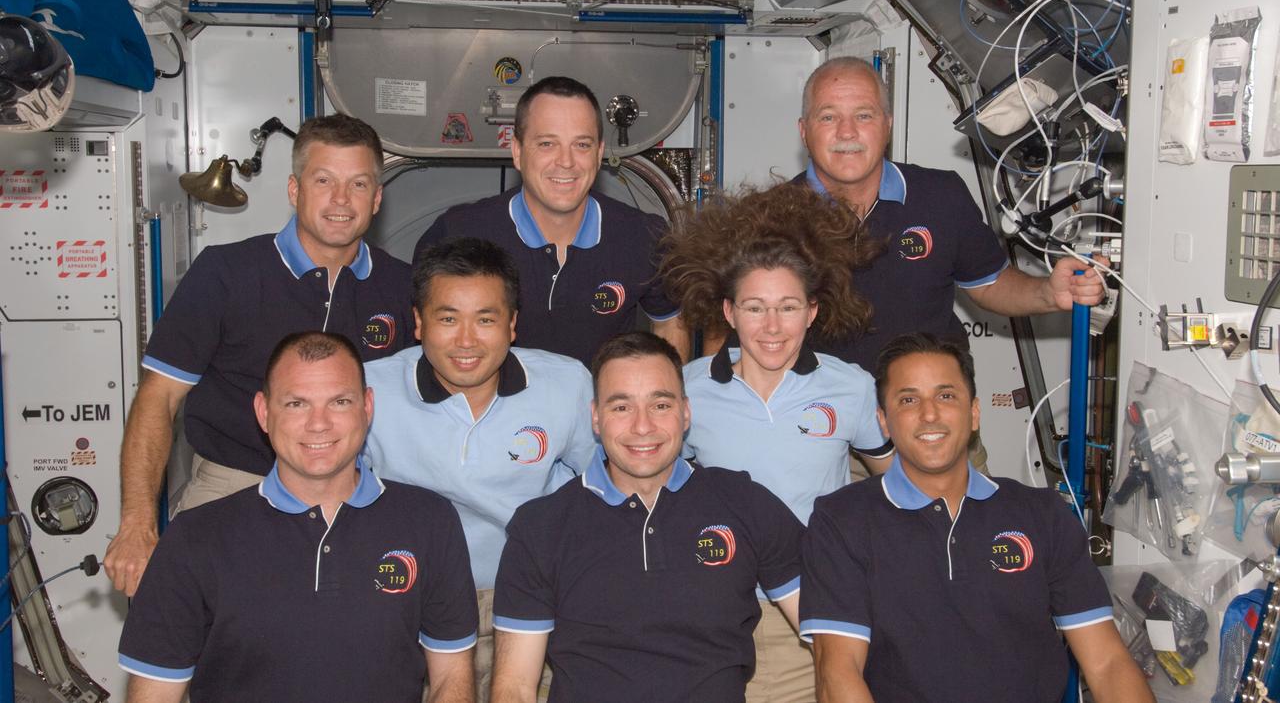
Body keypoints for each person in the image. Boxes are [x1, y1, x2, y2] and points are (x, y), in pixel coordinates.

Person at [105, 113, 415, 597]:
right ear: (294, 190)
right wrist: (137, 525)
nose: (340, 200)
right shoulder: (225, 274)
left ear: (376, 198)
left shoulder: (401, 286)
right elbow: (158, 397)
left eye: (357, 184)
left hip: (354, 491)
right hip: (235, 480)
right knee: (189, 630)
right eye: (323, 180)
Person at [117, 331, 478, 703]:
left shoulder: (429, 521)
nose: (318, 424)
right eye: (296, 404)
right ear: (263, 412)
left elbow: (452, 677)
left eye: (339, 401)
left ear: (367, 407)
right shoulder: (195, 538)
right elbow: (154, 695)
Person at [799, 333, 1154, 703]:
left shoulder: (1041, 514)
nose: (929, 413)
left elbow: (1107, 663)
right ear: (884, 422)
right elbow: (838, 673)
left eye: (946, 395)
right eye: (908, 399)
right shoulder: (841, 521)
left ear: (974, 414)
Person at [664, 186, 892, 703]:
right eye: (755, 307)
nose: (771, 327)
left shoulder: (850, 387)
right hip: (712, 612)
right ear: (728, 311)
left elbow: (894, 486)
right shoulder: (686, 390)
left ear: (812, 311)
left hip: (814, 611)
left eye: (788, 307)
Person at [490, 331, 805, 703]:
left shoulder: (744, 503)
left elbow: (831, 632)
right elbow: (514, 688)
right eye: (621, 407)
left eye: (660, 405)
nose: (642, 427)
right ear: (595, 418)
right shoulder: (541, 527)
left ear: (685, 413)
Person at [363, 237, 595, 701]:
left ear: (512, 325)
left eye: (485, 319)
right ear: (418, 323)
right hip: (411, 603)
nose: (466, 340)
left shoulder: (566, 383)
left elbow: (604, 488)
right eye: (447, 319)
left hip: (533, 603)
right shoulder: (371, 390)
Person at [793, 56, 1107, 372]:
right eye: (828, 117)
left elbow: (990, 283)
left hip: (927, 406)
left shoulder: (941, 196)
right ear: (804, 130)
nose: (847, 132)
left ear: (887, 125)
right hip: (819, 413)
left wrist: (1048, 293)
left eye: (863, 115)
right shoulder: (774, 219)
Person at [413, 75, 689, 366]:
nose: (566, 162)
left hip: (596, 410)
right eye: (547, 144)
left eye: (581, 145)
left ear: (598, 153)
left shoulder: (642, 235)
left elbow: (672, 321)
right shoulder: (457, 233)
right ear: (517, 152)